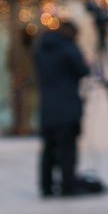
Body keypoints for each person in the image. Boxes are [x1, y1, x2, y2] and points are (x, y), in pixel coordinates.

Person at [34, 21, 90, 197]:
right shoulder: (68, 49)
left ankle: (46, 187)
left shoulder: (42, 49)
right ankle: (68, 185)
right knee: (67, 149)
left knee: (48, 149)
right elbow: (82, 71)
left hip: (47, 108)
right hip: (67, 108)